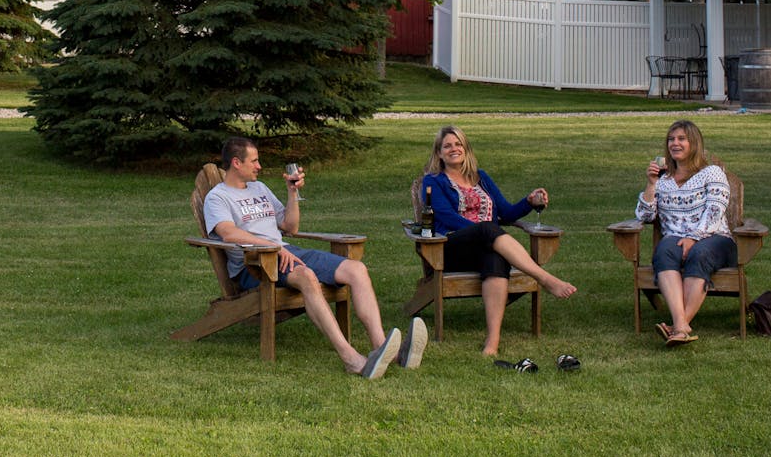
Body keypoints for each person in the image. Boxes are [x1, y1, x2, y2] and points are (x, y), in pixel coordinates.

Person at [203, 136, 426, 378]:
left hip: (285, 251)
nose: (259, 166)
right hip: (255, 264)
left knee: (356, 270)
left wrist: (292, 193)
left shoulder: (260, 188)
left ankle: (383, 348)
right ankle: (350, 358)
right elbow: (227, 233)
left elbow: (291, 226)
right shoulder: (218, 197)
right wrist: (273, 247)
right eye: (254, 161)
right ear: (236, 162)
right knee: (307, 277)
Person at [420, 125, 577, 356]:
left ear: (466, 149)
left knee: (495, 257)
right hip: (450, 249)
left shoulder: (481, 178)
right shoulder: (433, 181)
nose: (454, 149)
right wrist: (483, 231)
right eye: (447, 146)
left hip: (487, 245)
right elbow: (446, 217)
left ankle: (492, 343)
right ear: (439, 153)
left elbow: (506, 213)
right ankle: (545, 278)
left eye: (458, 144)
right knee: (488, 232)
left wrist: (529, 202)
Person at [635, 119, 737, 346]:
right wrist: (651, 184)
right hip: (675, 240)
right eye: (671, 139)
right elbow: (644, 216)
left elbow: (715, 210)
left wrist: (694, 237)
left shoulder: (712, 173)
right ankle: (681, 326)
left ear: (694, 143)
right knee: (663, 251)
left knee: (699, 254)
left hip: (715, 239)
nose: (675, 143)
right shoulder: (664, 181)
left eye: (681, 139)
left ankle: (678, 324)